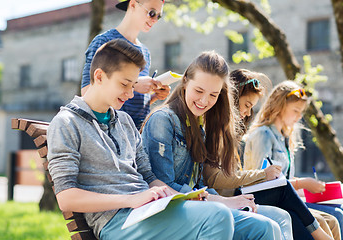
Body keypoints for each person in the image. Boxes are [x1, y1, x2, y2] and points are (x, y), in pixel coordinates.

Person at [47, 39, 243, 240]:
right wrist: (131, 199)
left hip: (149, 211)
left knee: (259, 227)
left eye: (133, 85)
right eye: (124, 84)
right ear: (99, 76)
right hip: (117, 221)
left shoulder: (123, 121)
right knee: (217, 217)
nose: (131, 94)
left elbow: (149, 178)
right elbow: (66, 198)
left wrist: (176, 196)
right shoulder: (66, 123)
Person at [142, 51, 286, 239]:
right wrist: (223, 201)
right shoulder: (162, 120)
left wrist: (228, 200)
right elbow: (164, 186)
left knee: (276, 219)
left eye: (213, 95)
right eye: (199, 91)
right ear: (185, 81)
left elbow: (199, 184)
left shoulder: (198, 124)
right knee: (264, 226)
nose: (204, 101)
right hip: (171, 211)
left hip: (197, 206)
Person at [204, 69, 339, 240]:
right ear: (231, 99)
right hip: (231, 197)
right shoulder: (225, 134)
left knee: (332, 216)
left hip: (243, 193)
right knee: (286, 195)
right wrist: (266, 175)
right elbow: (219, 179)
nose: (247, 113)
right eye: (247, 105)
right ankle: (320, 236)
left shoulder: (230, 135)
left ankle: (320, 235)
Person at [243, 80, 339, 240]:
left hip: (289, 200)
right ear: (279, 107)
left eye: (301, 112)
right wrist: (303, 183)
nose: (299, 117)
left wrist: (311, 187)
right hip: (267, 201)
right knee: (323, 220)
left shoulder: (285, 138)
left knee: (334, 218)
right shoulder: (263, 134)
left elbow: (285, 179)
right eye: (295, 111)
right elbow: (261, 181)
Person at [81, 0, 170, 129]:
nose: (155, 19)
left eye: (159, 16)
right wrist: (135, 85)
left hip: (137, 134)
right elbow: (86, 92)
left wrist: (153, 96)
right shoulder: (104, 42)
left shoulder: (145, 52)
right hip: (109, 132)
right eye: (151, 13)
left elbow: (131, 101)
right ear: (133, 4)